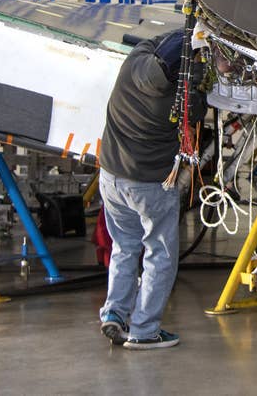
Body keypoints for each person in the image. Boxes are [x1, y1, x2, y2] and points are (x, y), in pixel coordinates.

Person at [97, 29, 196, 350]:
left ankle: (114, 312)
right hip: (150, 187)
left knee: (124, 247)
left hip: (111, 178)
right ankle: (144, 330)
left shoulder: (132, 65)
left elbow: (154, 43)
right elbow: (198, 111)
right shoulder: (177, 101)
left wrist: (187, 34)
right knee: (159, 256)